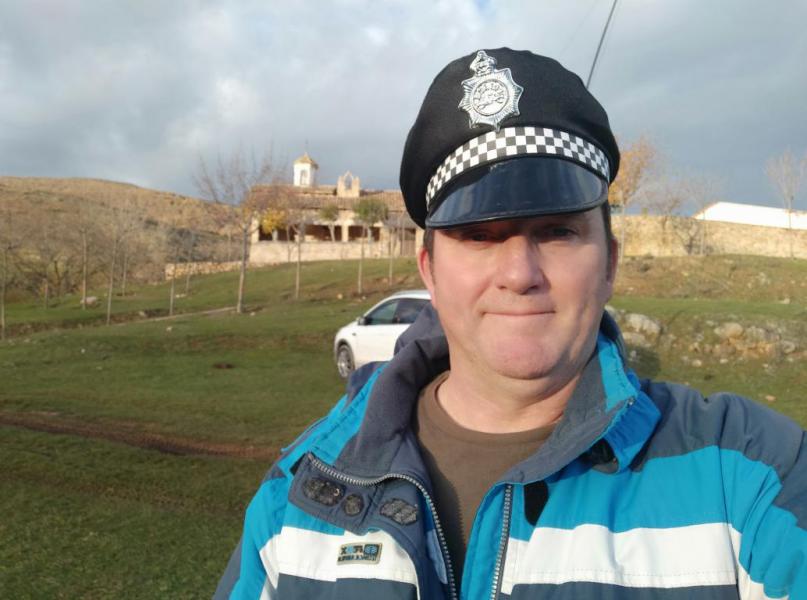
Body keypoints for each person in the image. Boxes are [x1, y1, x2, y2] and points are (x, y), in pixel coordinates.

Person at [215, 48, 807, 600]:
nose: (520, 274)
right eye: (478, 236)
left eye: (557, 231)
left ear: (609, 264)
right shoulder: (299, 491)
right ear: (429, 271)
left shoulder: (752, 474)